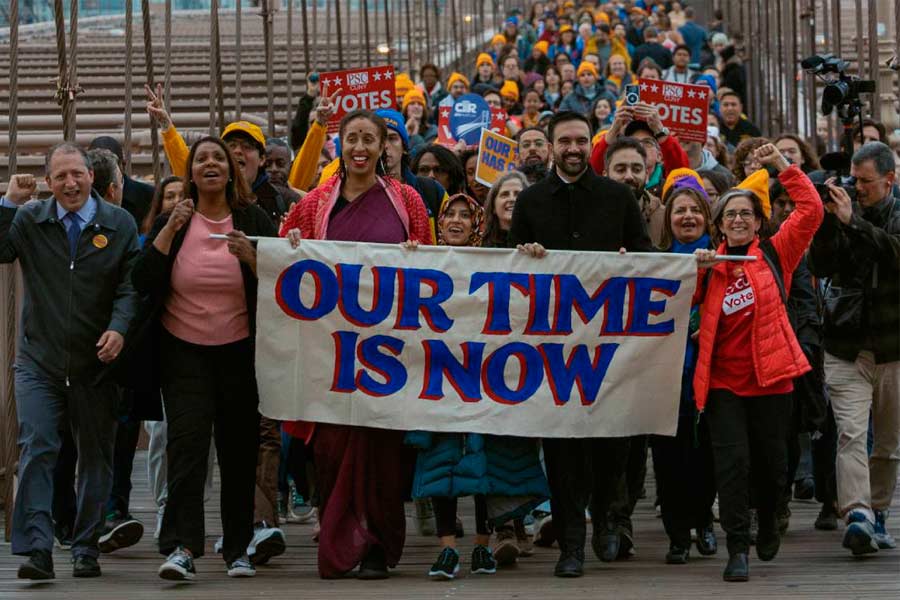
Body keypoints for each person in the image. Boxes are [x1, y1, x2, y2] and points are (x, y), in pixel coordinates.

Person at [279, 110, 434, 579]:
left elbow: (433, 267)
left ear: (386, 147)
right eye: (352, 139)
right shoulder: (316, 202)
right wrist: (290, 244)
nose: (361, 147)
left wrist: (417, 257)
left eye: (371, 139)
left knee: (384, 455)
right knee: (330, 451)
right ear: (339, 147)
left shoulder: (407, 200)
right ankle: (340, 540)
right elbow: (288, 251)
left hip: (388, 352)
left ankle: (377, 548)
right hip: (332, 354)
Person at [510, 111, 652, 578]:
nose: (573, 149)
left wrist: (633, 262)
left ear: (590, 145)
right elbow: (510, 270)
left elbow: (647, 259)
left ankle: (610, 515)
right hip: (553, 350)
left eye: (580, 141)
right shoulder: (530, 202)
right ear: (551, 146)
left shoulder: (618, 197)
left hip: (608, 345)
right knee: (563, 451)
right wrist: (525, 257)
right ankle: (572, 544)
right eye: (564, 141)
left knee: (613, 444)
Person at [132, 136, 276, 581]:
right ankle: (183, 547)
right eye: (202, 159)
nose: (211, 163)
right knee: (187, 449)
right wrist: (170, 229)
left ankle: (237, 548)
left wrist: (254, 259)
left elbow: (284, 283)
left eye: (219, 158)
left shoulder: (253, 218)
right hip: (182, 353)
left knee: (237, 451)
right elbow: (142, 278)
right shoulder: (177, 219)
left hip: (240, 353)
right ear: (190, 172)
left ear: (233, 170)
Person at [1, 144, 140, 580]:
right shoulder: (30, 219)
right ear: (48, 182)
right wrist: (7, 202)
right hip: (39, 360)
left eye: (76, 173)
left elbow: (131, 287)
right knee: (38, 446)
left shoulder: (119, 223)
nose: (70, 183)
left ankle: (85, 547)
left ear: (91, 177)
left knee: (96, 459)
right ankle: (38, 549)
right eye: (60, 176)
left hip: (96, 363)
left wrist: (119, 327)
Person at [692, 143, 824, 582]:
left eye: (746, 213)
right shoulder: (708, 265)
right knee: (732, 467)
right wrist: (696, 270)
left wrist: (782, 166)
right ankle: (736, 548)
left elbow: (811, 210)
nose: (738, 220)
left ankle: (770, 519)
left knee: (772, 467)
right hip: (724, 384)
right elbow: (673, 302)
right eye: (729, 215)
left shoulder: (776, 252)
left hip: (773, 381)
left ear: (759, 219)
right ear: (719, 225)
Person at [808, 142, 900, 556]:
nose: (857, 189)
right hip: (846, 346)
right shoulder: (843, 211)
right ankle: (858, 514)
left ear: (889, 179)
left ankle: (878, 511)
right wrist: (830, 223)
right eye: (854, 180)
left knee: (887, 442)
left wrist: (855, 224)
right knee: (850, 433)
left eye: (865, 182)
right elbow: (822, 266)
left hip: (894, 347)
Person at [651, 181, 718, 564]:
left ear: (706, 217)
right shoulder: (656, 261)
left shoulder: (724, 258)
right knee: (669, 457)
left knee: (705, 454)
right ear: (669, 220)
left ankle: (703, 520)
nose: (688, 216)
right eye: (680, 211)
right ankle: (677, 534)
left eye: (695, 210)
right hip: (666, 375)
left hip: (711, 374)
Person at [603, 137, 665, 247]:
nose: (629, 176)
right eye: (620, 170)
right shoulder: (590, 215)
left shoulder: (664, 218)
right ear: (605, 175)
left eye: (636, 170)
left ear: (646, 175)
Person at [88, 136, 155, 226]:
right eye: (96, 164)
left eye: (108, 163)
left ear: (122, 165)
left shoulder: (149, 196)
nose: (102, 169)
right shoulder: (79, 197)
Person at [483, 171, 528, 247]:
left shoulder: (538, 241)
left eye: (518, 194)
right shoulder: (479, 245)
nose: (512, 199)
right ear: (493, 207)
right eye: (505, 194)